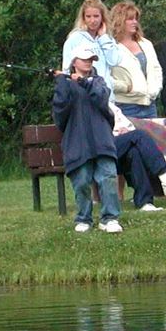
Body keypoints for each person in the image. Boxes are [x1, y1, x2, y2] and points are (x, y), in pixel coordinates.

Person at [52, 45, 122, 233]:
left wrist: (83, 82)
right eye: (84, 59)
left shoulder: (98, 82)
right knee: (81, 180)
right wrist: (62, 84)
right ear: (74, 62)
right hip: (77, 141)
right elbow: (59, 113)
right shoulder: (65, 84)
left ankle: (110, 218)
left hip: (102, 140)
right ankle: (83, 218)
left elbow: (101, 98)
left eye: (91, 59)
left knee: (107, 176)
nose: (88, 62)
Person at [111, 103, 166, 210]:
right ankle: (165, 176)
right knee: (139, 135)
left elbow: (128, 126)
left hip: (116, 147)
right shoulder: (91, 103)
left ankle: (145, 203)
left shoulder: (109, 105)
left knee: (134, 152)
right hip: (98, 149)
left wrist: (126, 131)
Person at [110, 1, 162, 118]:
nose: (135, 22)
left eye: (136, 19)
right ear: (119, 21)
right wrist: (126, 87)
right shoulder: (110, 47)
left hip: (149, 104)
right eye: (130, 19)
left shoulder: (146, 43)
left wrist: (155, 89)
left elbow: (156, 69)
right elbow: (105, 77)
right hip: (125, 106)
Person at [61, 0, 121, 99]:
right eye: (88, 16)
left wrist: (103, 38)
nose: (92, 20)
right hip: (83, 96)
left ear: (102, 17)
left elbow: (114, 61)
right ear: (83, 18)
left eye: (96, 16)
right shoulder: (74, 39)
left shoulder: (108, 38)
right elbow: (66, 70)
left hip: (105, 95)